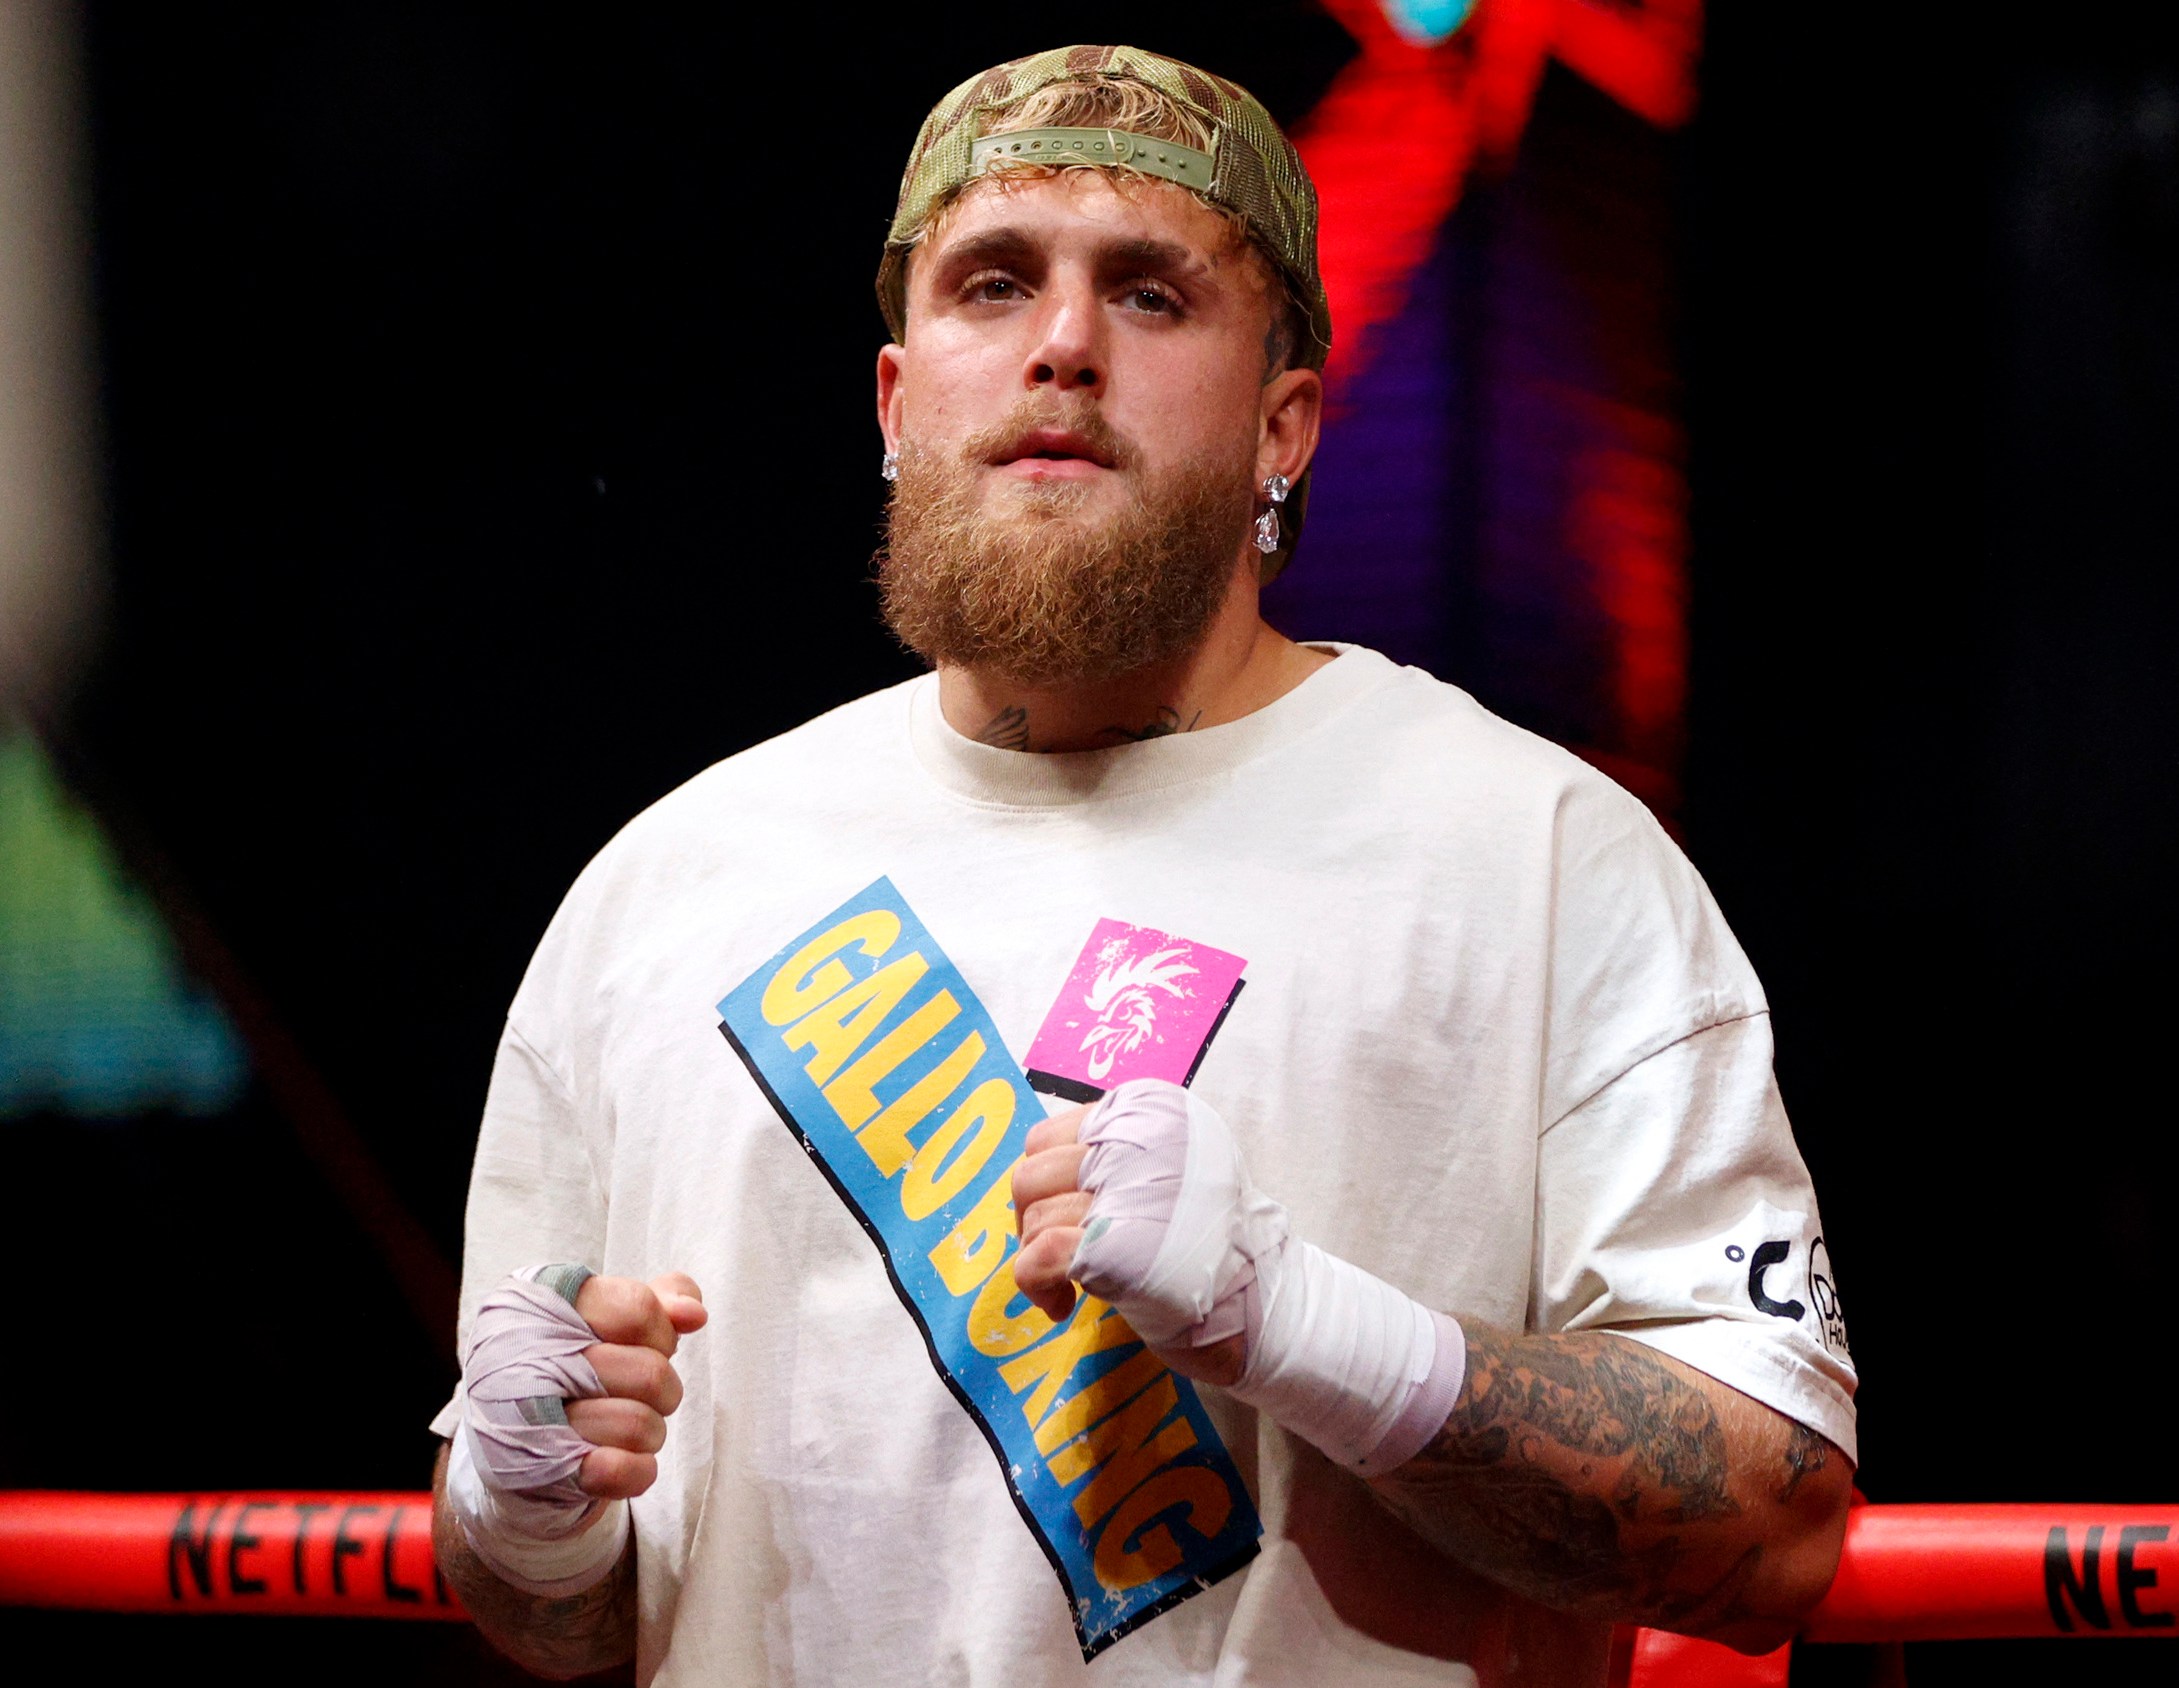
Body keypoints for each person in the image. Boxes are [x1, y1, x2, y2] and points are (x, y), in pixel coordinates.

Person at [429, 43, 1858, 1687]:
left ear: (1284, 429)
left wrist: (1306, 1327)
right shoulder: (657, 895)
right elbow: (568, 1613)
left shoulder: (1540, 861)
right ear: (899, 402)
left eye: (1152, 295)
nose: (1060, 347)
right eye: (992, 283)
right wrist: (528, 1524)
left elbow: (1775, 1522)